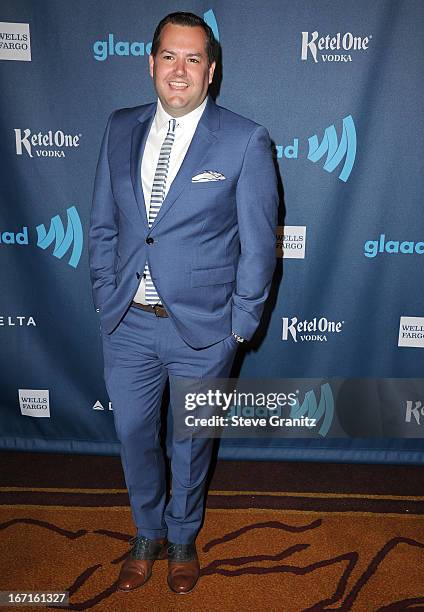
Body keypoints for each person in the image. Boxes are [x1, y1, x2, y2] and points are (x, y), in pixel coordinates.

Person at [89, 11, 278, 595]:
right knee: (133, 437)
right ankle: (146, 531)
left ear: (211, 71)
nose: (180, 70)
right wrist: (104, 290)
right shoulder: (120, 127)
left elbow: (260, 242)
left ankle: (183, 536)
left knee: (191, 445)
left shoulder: (245, 139)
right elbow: (101, 224)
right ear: (151, 63)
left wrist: (239, 326)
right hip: (128, 324)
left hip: (203, 331)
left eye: (193, 59)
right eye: (169, 56)